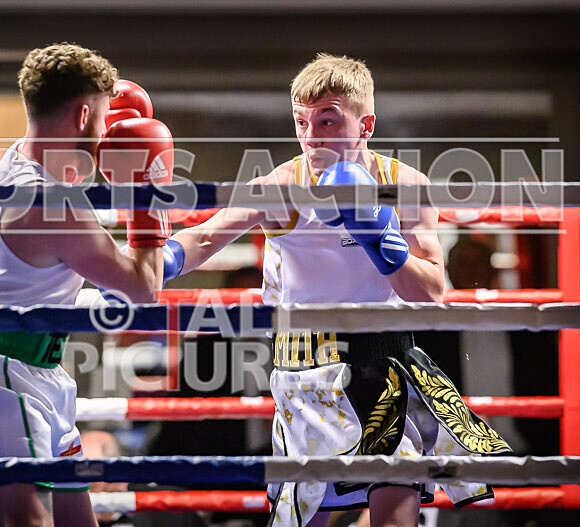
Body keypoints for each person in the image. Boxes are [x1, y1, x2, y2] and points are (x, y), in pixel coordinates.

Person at [167, 53, 510, 527]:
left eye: (327, 121)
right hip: (305, 375)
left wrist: (381, 241)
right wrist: (155, 263)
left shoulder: (403, 185)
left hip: (385, 364)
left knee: (395, 512)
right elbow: (206, 235)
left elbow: (431, 290)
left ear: (366, 123)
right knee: (303, 517)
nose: (311, 137)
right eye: (301, 122)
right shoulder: (281, 186)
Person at [0, 42, 180, 527]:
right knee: (25, 519)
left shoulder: (23, 159)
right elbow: (142, 289)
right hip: (0, 370)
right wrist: (147, 193)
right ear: (84, 113)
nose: (108, 128)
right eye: (104, 117)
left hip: (38, 365)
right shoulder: (51, 204)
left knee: (76, 510)